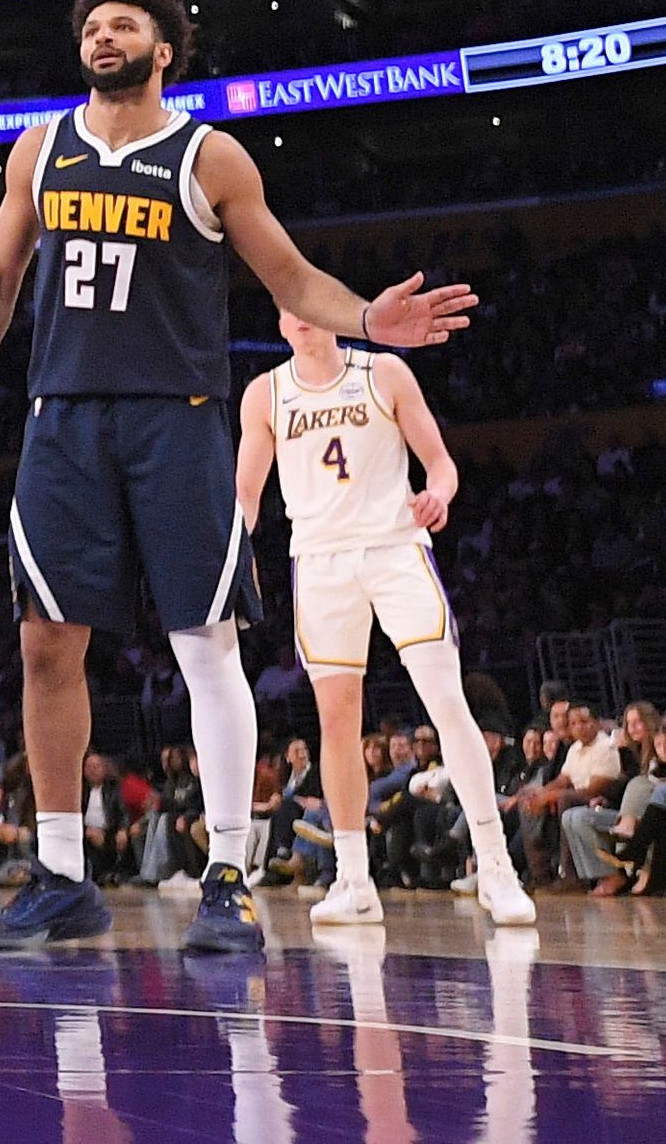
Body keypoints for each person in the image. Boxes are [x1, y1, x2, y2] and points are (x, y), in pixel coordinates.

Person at [0, 0, 476, 954]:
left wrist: (365, 318)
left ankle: (226, 876)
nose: (102, 35)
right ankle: (63, 875)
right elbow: (0, 276)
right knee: (46, 644)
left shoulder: (208, 153)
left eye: (124, 25)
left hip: (177, 419)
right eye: (92, 25)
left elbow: (289, 275)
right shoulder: (40, 146)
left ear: (164, 50)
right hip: (63, 415)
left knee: (205, 642)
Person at [237, 303, 534, 927]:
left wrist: (439, 494)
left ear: (334, 315)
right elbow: (246, 495)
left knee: (447, 703)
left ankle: (496, 867)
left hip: (397, 550)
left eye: (315, 306)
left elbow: (442, 463)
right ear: (283, 327)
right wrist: (230, 557)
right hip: (319, 563)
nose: (305, 318)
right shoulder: (265, 394)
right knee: (336, 723)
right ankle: (353, 879)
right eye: (293, 311)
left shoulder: (385, 373)